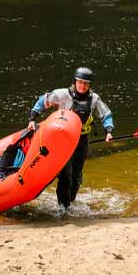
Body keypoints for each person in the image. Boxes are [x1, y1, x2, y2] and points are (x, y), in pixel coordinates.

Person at [27, 67, 114, 210]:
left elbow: (106, 114)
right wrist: (32, 119)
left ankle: (70, 202)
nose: (83, 86)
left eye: (86, 83)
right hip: (62, 141)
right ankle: (63, 207)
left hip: (81, 141)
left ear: (89, 85)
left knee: (76, 176)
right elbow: (43, 101)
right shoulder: (61, 95)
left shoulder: (94, 99)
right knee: (65, 175)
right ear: (75, 81)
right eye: (80, 82)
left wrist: (109, 131)